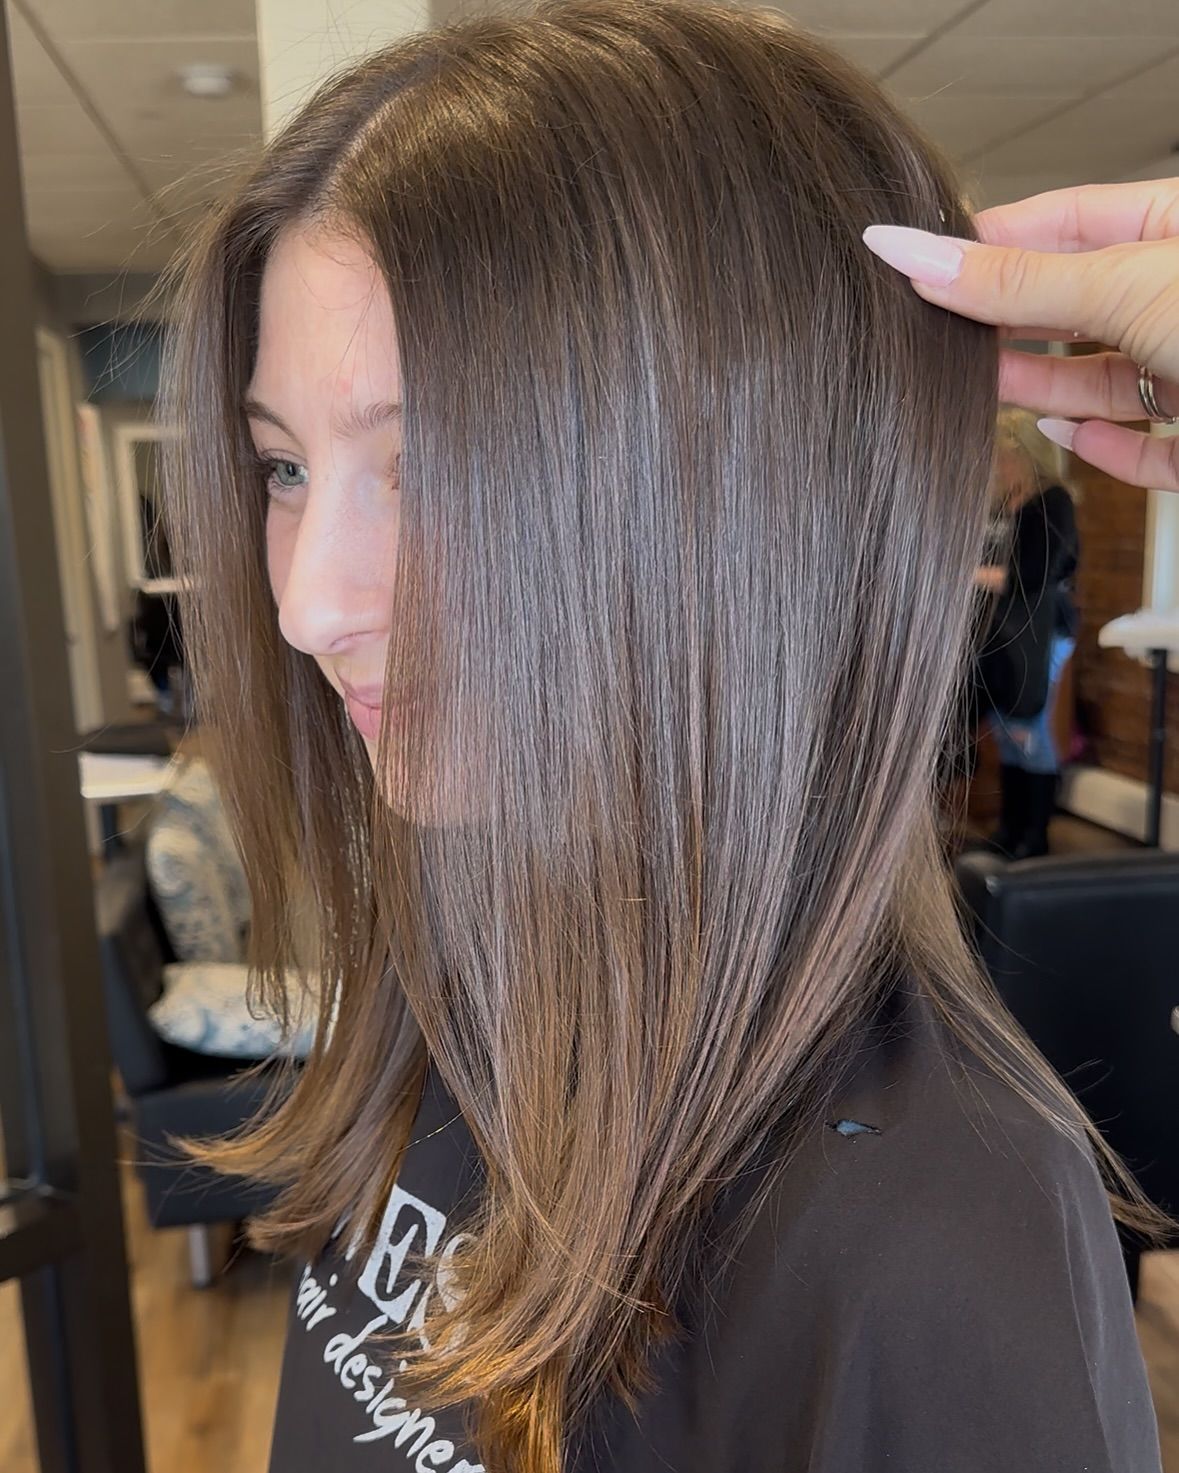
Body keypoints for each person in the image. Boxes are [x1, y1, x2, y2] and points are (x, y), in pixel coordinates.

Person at [159, 5, 1169, 1471]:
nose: (309, 604)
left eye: (430, 460)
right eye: (285, 467)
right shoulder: (464, 976)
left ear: (733, 497)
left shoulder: (943, 1255)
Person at [970, 407, 1079, 859]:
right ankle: (1009, 828)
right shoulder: (1004, 503)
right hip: (1004, 634)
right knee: (1005, 729)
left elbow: (1033, 574)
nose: (997, 463)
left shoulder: (1054, 503)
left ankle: (1034, 835)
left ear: (1027, 454)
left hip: (1043, 634)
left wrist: (968, 574)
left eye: (1003, 454)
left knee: (1030, 731)